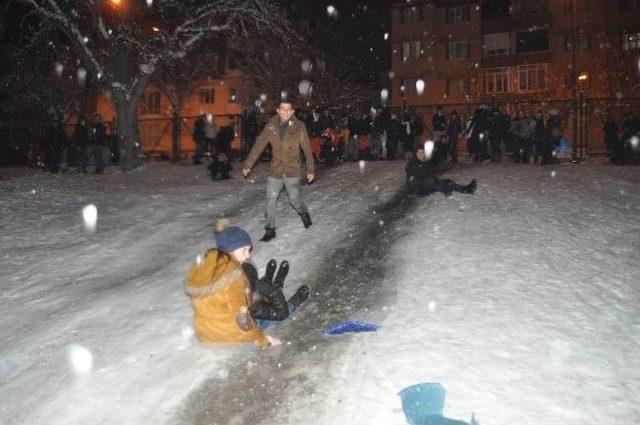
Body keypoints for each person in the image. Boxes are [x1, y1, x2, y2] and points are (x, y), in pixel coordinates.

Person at [184, 219, 310, 347]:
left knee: (256, 298)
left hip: (206, 332)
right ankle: (295, 300)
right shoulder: (232, 277)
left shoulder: (210, 263)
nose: (248, 255)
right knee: (274, 317)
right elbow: (243, 321)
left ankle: (270, 283)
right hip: (225, 335)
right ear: (230, 249)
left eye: (249, 250)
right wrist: (263, 339)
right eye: (244, 249)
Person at [242, 95, 315, 242]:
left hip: (292, 170)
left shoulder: (299, 126)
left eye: (289, 109)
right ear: (278, 110)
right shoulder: (271, 126)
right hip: (275, 170)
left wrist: (310, 169)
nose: (286, 112)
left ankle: (304, 213)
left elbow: (307, 148)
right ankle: (270, 229)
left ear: (292, 111)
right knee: (270, 199)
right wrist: (248, 165)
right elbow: (259, 145)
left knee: (295, 201)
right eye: (283, 109)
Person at [406, 144, 477, 197]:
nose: (421, 154)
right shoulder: (413, 163)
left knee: (447, 181)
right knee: (432, 180)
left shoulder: (423, 162)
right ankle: (446, 189)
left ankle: (465, 189)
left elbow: (429, 171)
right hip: (418, 189)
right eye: (419, 153)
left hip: (424, 184)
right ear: (416, 154)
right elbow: (419, 173)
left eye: (422, 152)